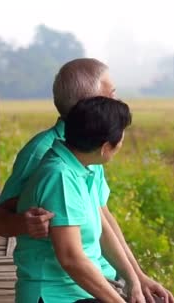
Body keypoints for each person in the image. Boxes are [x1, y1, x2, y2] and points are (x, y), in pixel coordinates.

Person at [0, 59, 174, 303]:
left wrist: (136, 278)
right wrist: (24, 223)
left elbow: (101, 216)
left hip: (93, 280)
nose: (116, 102)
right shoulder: (47, 156)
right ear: (90, 105)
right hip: (59, 287)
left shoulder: (84, 152)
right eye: (111, 95)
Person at [15, 96, 138, 302]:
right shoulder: (60, 177)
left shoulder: (81, 169)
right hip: (56, 296)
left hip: (78, 292)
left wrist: (136, 280)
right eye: (121, 138)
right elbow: (72, 259)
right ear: (105, 148)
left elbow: (103, 233)